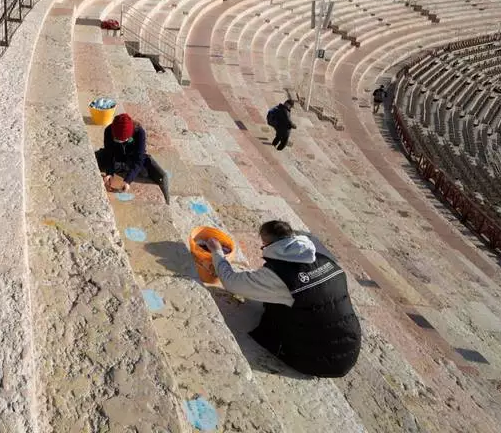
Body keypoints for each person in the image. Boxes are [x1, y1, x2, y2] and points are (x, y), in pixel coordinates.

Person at [206, 220, 361, 378]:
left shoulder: (278, 276)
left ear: (268, 244)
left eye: (263, 245)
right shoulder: (325, 260)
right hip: (350, 345)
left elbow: (231, 282)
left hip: (321, 360)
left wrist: (217, 252)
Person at [96, 113, 169, 202]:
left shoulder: (139, 133)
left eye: (124, 140)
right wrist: (109, 173)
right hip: (117, 158)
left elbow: (139, 159)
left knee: (151, 171)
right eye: (117, 140)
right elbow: (109, 154)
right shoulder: (108, 131)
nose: (120, 142)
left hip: (131, 158)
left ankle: (123, 169)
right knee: (98, 158)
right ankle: (120, 169)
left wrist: (128, 180)